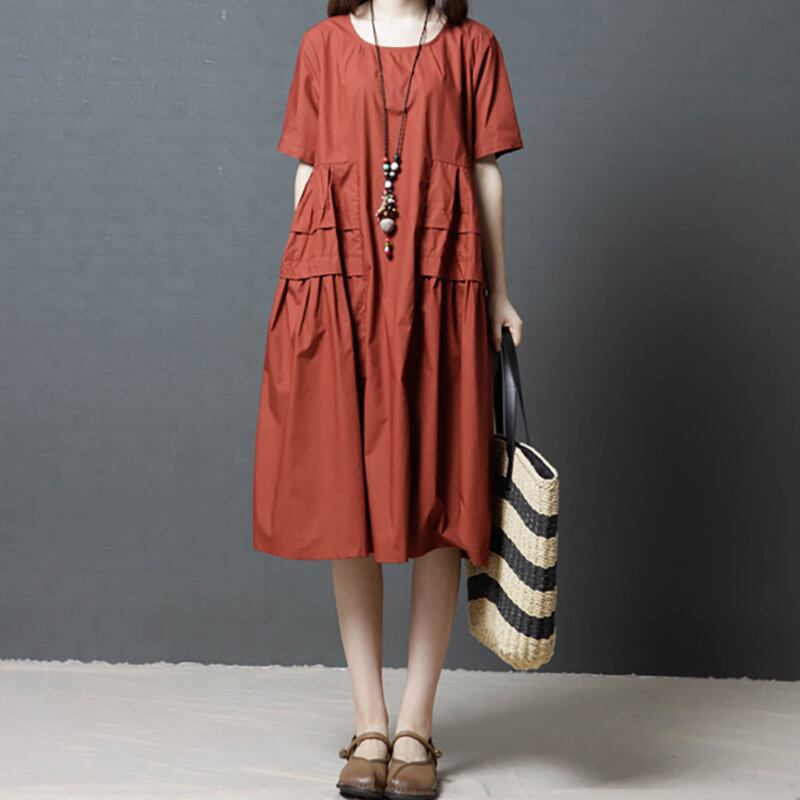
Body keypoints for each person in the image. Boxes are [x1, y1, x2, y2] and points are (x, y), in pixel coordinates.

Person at [252, 1, 524, 796]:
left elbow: (485, 172)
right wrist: (311, 288)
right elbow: (308, 173)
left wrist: (501, 292)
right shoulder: (323, 45)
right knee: (348, 501)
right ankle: (369, 723)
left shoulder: (472, 47)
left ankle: (415, 728)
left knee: (441, 498)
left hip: (440, 286)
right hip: (343, 289)